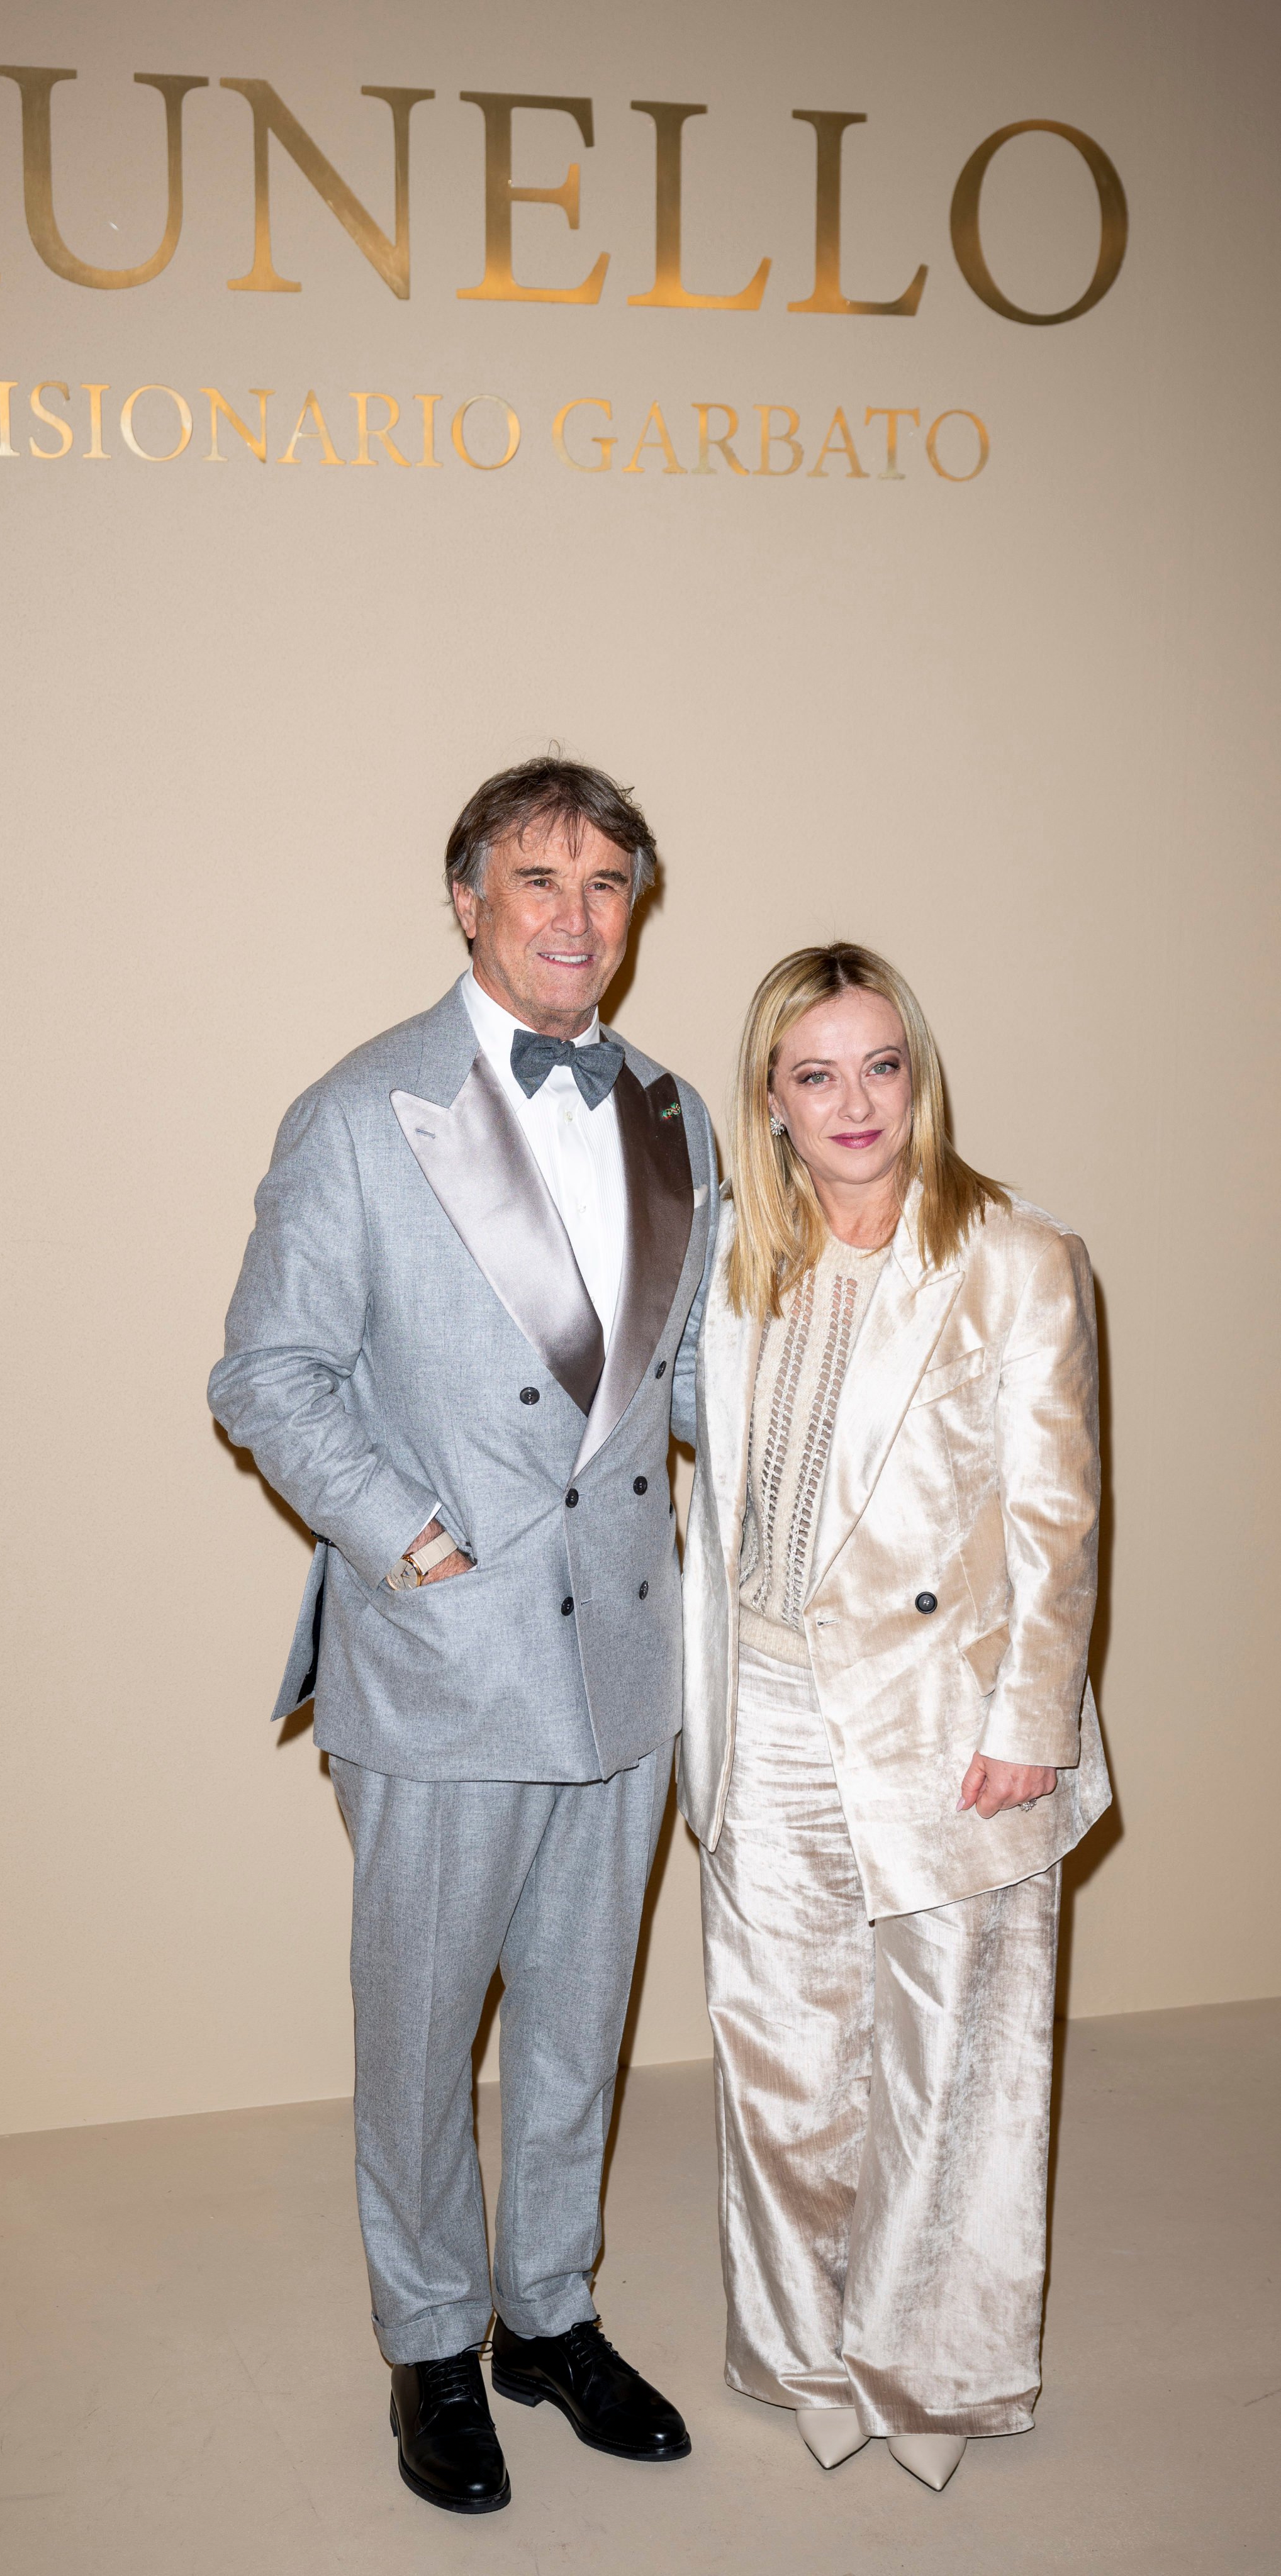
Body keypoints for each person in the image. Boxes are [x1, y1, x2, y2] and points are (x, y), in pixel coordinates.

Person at [210, 757, 716, 2514]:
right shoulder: (361, 1110)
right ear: (465, 898)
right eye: (537, 880)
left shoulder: (672, 1112)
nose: (575, 916)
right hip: (446, 1658)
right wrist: (407, 1538)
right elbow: (265, 1374)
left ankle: (546, 2311)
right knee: (423, 2028)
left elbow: (695, 1379)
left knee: (581, 2015)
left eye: (604, 883)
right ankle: (429, 2343)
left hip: (628, 1659)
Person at [678, 942, 1109, 2492]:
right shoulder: (740, 1258)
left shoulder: (1014, 1254)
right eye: (815, 1072)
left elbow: (1061, 1520)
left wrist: (1034, 1720)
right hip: (767, 1706)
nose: (854, 1101)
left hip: (954, 1718)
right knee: (784, 2050)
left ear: (918, 1077)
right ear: (771, 1100)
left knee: (957, 2060)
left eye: (882, 1065)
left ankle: (935, 2366)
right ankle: (803, 2348)